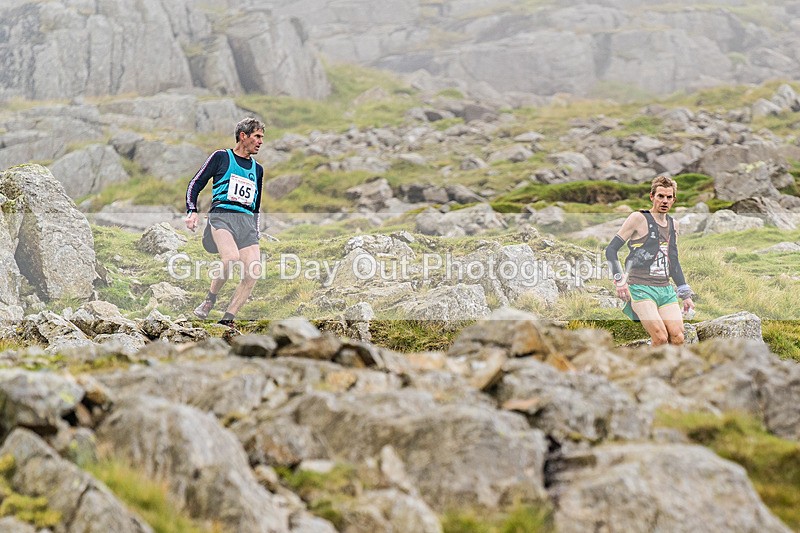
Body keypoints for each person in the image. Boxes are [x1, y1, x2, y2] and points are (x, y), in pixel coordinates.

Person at [185, 117, 265, 328]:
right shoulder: (221, 157)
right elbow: (196, 183)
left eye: (262, 138)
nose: (260, 142)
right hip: (222, 216)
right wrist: (192, 210)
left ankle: (227, 319)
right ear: (243, 136)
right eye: (257, 136)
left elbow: (256, 205)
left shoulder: (258, 170)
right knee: (230, 258)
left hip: (246, 222)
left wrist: (255, 231)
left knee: (254, 270)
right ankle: (209, 300)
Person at [605, 175, 696, 345]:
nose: (664, 201)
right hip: (640, 287)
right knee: (660, 337)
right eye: (660, 196)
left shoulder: (673, 224)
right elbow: (611, 250)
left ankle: (671, 371)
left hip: (665, 289)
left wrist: (685, 294)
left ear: (674, 200)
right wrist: (619, 280)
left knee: (677, 337)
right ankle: (649, 371)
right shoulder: (638, 218)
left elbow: (673, 261)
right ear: (652, 196)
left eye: (669, 197)